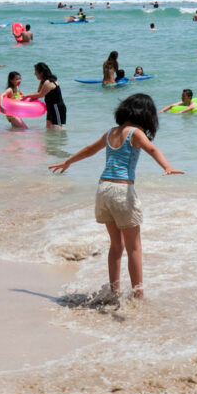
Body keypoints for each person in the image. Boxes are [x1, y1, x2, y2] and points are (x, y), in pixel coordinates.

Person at [49, 95, 183, 298]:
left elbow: (89, 150)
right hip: (121, 190)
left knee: (116, 245)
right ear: (145, 115)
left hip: (103, 189)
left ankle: (114, 290)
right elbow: (152, 149)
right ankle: (138, 296)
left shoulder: (111, 132)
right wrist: (167, 166)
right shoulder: (135, 133)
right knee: (134, 248)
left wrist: (68, 162)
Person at [21, 62, 66, 129]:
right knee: (48, 129)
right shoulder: (43, 81)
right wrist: (29, 100)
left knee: (57, 130)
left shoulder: (48, 82)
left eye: (36, 72)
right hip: (50, 107)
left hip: (57, 108)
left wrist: (26, 96)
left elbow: (40, 95)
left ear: (41, 72)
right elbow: (38, 92)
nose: (34, 74)